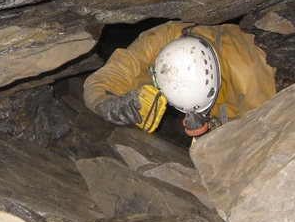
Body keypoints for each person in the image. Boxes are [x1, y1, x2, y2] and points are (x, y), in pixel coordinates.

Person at [84, 21, 276, 137]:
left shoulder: (255, 79)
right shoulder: (164, 40)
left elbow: (260, 137)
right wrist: (106, 105)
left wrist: (210, 131)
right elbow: (107, 78)